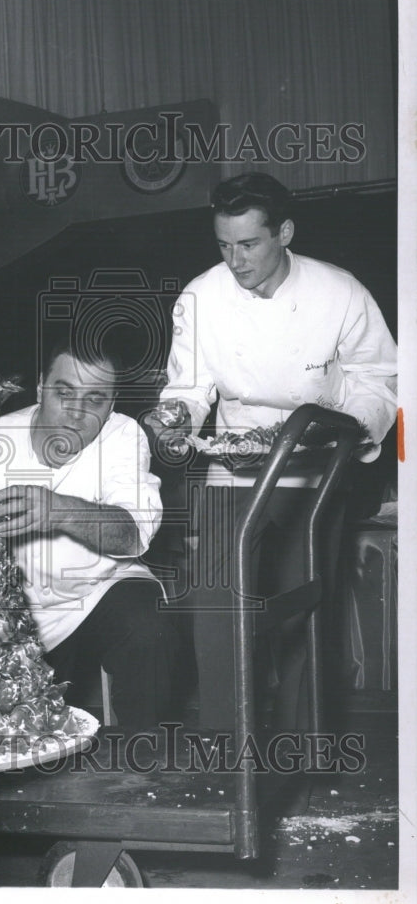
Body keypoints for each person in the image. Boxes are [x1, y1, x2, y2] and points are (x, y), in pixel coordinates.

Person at [142, 172, 398, 731]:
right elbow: (187, 388)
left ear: (283, 232)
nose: (235, 261)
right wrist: (171, 419)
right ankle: (223, 751)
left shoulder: (340, 291)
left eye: (249, 244)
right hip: (229, 471)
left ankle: (301, 751)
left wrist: (345, 427)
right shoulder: (200, 295)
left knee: (301, 615)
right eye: (224, 245)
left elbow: (379, 379)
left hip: (315, 475)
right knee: (213, 611)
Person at [0, 338, 177, 728]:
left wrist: (57, 510)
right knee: (15, 733)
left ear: (112, 404)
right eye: (63, 392)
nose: (76, 412)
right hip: (21, 609)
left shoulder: (122, 435)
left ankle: (148, 761)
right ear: (40, 388)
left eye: (95, 399)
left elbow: (133, 534)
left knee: (148, 624)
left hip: (98, 590)